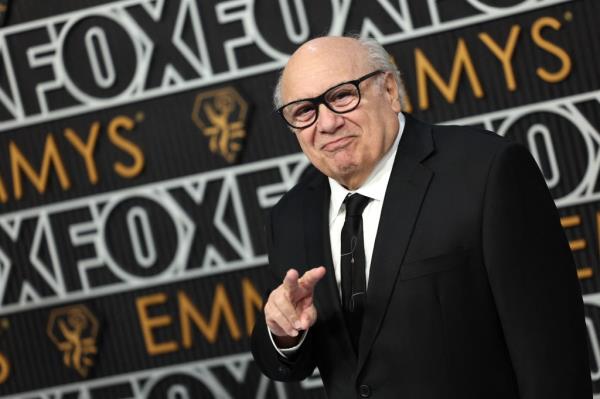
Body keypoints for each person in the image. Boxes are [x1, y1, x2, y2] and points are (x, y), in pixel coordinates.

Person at [250, 36, 591, 398]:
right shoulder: (289, 217)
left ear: (391, 90)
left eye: (341, 96)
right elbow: (290, 364)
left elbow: (552, 352)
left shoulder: (486, 172)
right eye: (304, 111)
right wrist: (284, 333)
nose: (327, 123)